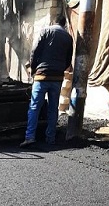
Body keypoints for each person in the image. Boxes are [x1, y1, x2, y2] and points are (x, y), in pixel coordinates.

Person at [20, 15, 74, 147]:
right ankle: (51, 138)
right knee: (53, 108)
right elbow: (68, 59)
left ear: (53, 22)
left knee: (34, 107)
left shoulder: (45, 31)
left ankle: (30, 137)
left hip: (41, 76)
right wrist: (61, 69)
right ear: (64, 24)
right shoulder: (68, 37)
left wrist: (33, 69)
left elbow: (35, 50)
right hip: (57, 79)